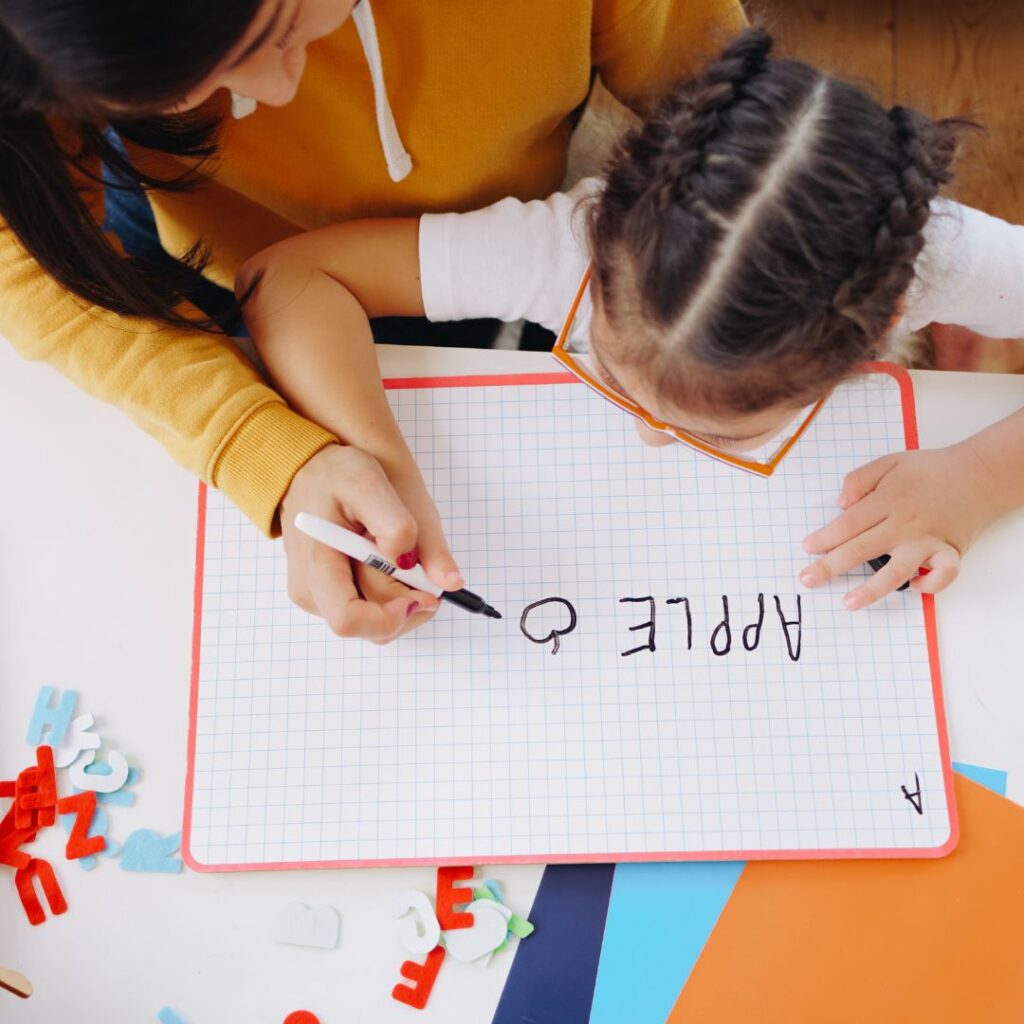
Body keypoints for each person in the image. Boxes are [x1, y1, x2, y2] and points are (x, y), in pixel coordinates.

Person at [0, 0, 745, 643]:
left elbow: (739, 116)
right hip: (205, 270)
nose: (274, 89)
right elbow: (29, 262)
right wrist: (265, 448)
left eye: (286, 29)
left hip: (489, 253)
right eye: (175, 99)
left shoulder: (547, 243)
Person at [238, 29, 1024, 613]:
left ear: (879, 322)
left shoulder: (943, 260)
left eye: (717, 430)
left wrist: (980, 479)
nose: (650, 435)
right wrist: (383, 464)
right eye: (613, 376)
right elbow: (288, 277)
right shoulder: (558, 246)